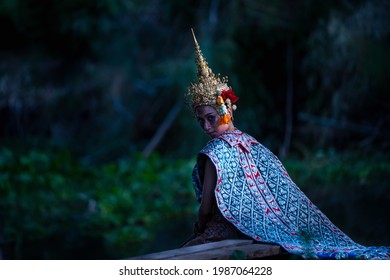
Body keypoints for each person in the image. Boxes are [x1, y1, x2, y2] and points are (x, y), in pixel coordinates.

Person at [181, 29, 390, 260]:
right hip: (260, 232)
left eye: (211, 118)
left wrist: (199, 227)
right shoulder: (251, 143)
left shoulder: (213, 152)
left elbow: (206, 208)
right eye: (201, 121)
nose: (206, 127)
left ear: (227, 110)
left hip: (226, 232)